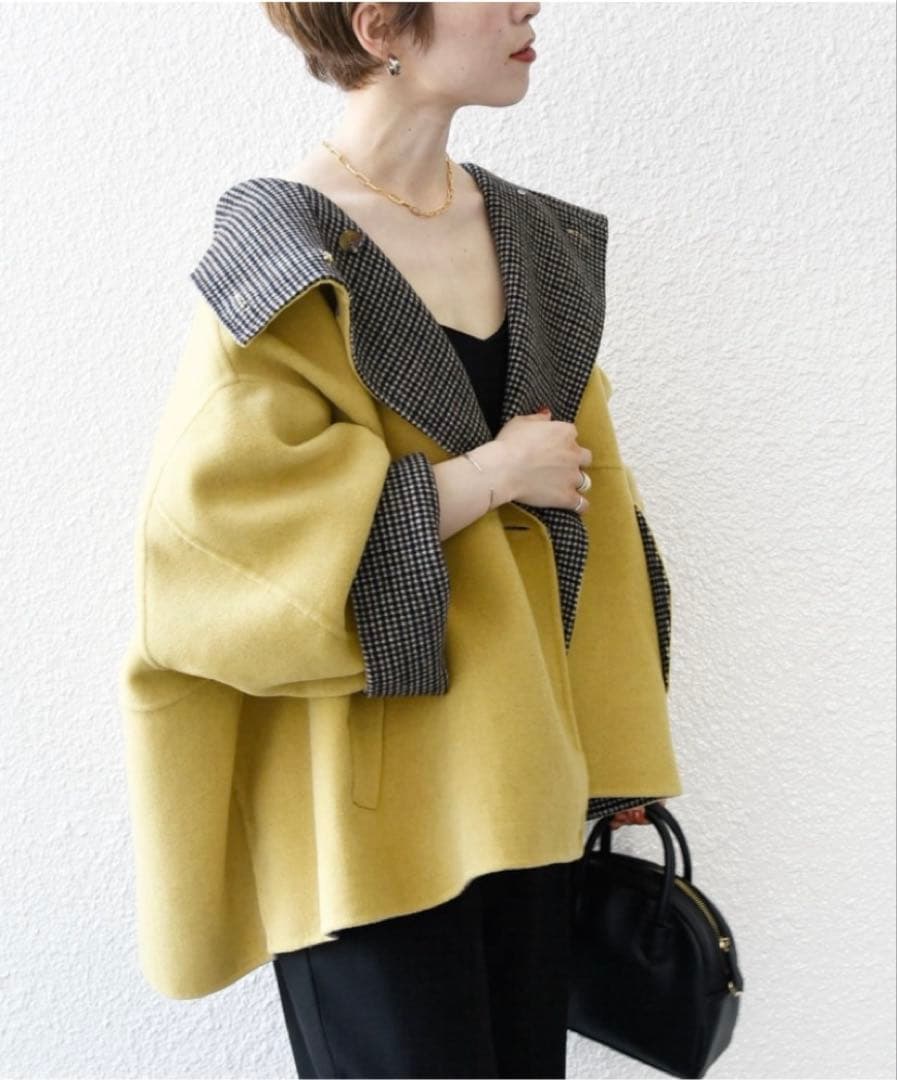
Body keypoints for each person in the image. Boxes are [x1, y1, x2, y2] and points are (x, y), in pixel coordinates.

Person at [118, 3, 684, 1077]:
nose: (528, 7)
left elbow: (600, 515)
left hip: (523, 780)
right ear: (382, 25)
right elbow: (220, 540)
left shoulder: (536, 242)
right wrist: (485, 478)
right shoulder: (284, 252)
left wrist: (616, 749)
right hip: (363, 815)